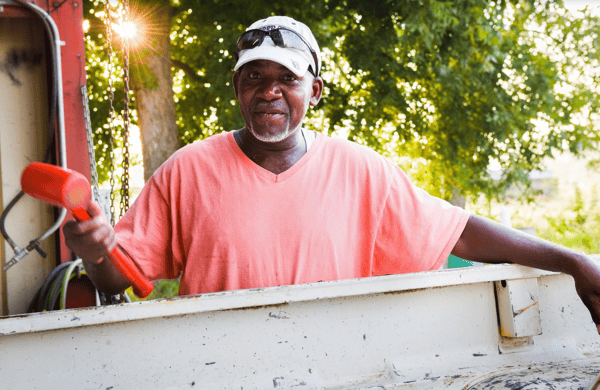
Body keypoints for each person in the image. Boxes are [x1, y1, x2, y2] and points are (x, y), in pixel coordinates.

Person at [64, 16, 600, 332]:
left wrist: (571, 259)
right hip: (215, 370)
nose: (269, 90)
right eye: (255, 77)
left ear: (313, 91)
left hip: (341, 366)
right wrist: (96, 249)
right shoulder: (188, 170)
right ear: (238, 89)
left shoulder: (361, 170)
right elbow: (121, 279)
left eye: (287, 78)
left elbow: (459, 231)